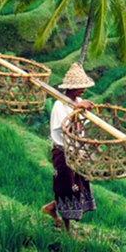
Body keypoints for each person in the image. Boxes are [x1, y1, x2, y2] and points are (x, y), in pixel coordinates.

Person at [41, 62, 97, 233]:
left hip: (76, 153)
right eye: (79, 87)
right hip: (63, 153)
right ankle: (66, 230)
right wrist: (76, 112)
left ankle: (50, 208)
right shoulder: (60, 106)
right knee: (66, 188)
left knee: (77, 187)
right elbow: (66, 130)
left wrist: (88, 141)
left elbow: (82, 127)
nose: (83, 89)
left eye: (84, 86)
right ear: (70, 89)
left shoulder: (78, 101)